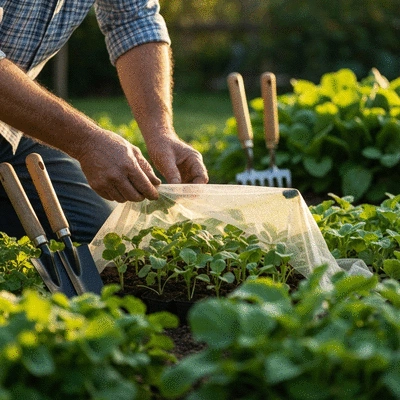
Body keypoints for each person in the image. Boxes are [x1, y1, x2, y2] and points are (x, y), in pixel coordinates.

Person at [0, 1, 209, 244]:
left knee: (104, 241)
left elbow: (133, 21)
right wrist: (87, 143)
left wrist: (160, 132)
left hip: (10, 128)